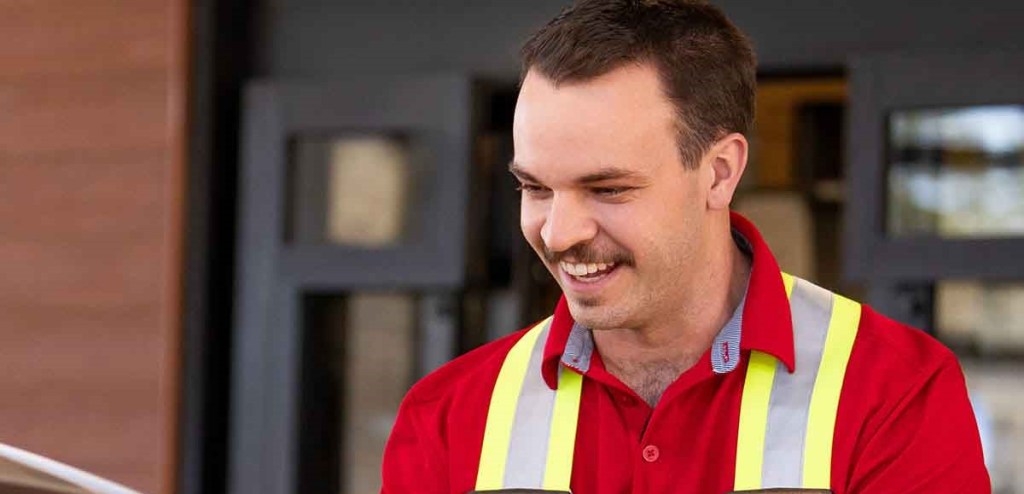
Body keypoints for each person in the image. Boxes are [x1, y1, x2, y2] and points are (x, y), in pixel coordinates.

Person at [381, 1, 990, 492]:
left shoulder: (896, 393)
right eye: (534, 187)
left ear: (720, 172)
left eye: (609, 187)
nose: (559, 232)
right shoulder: (448, 416)